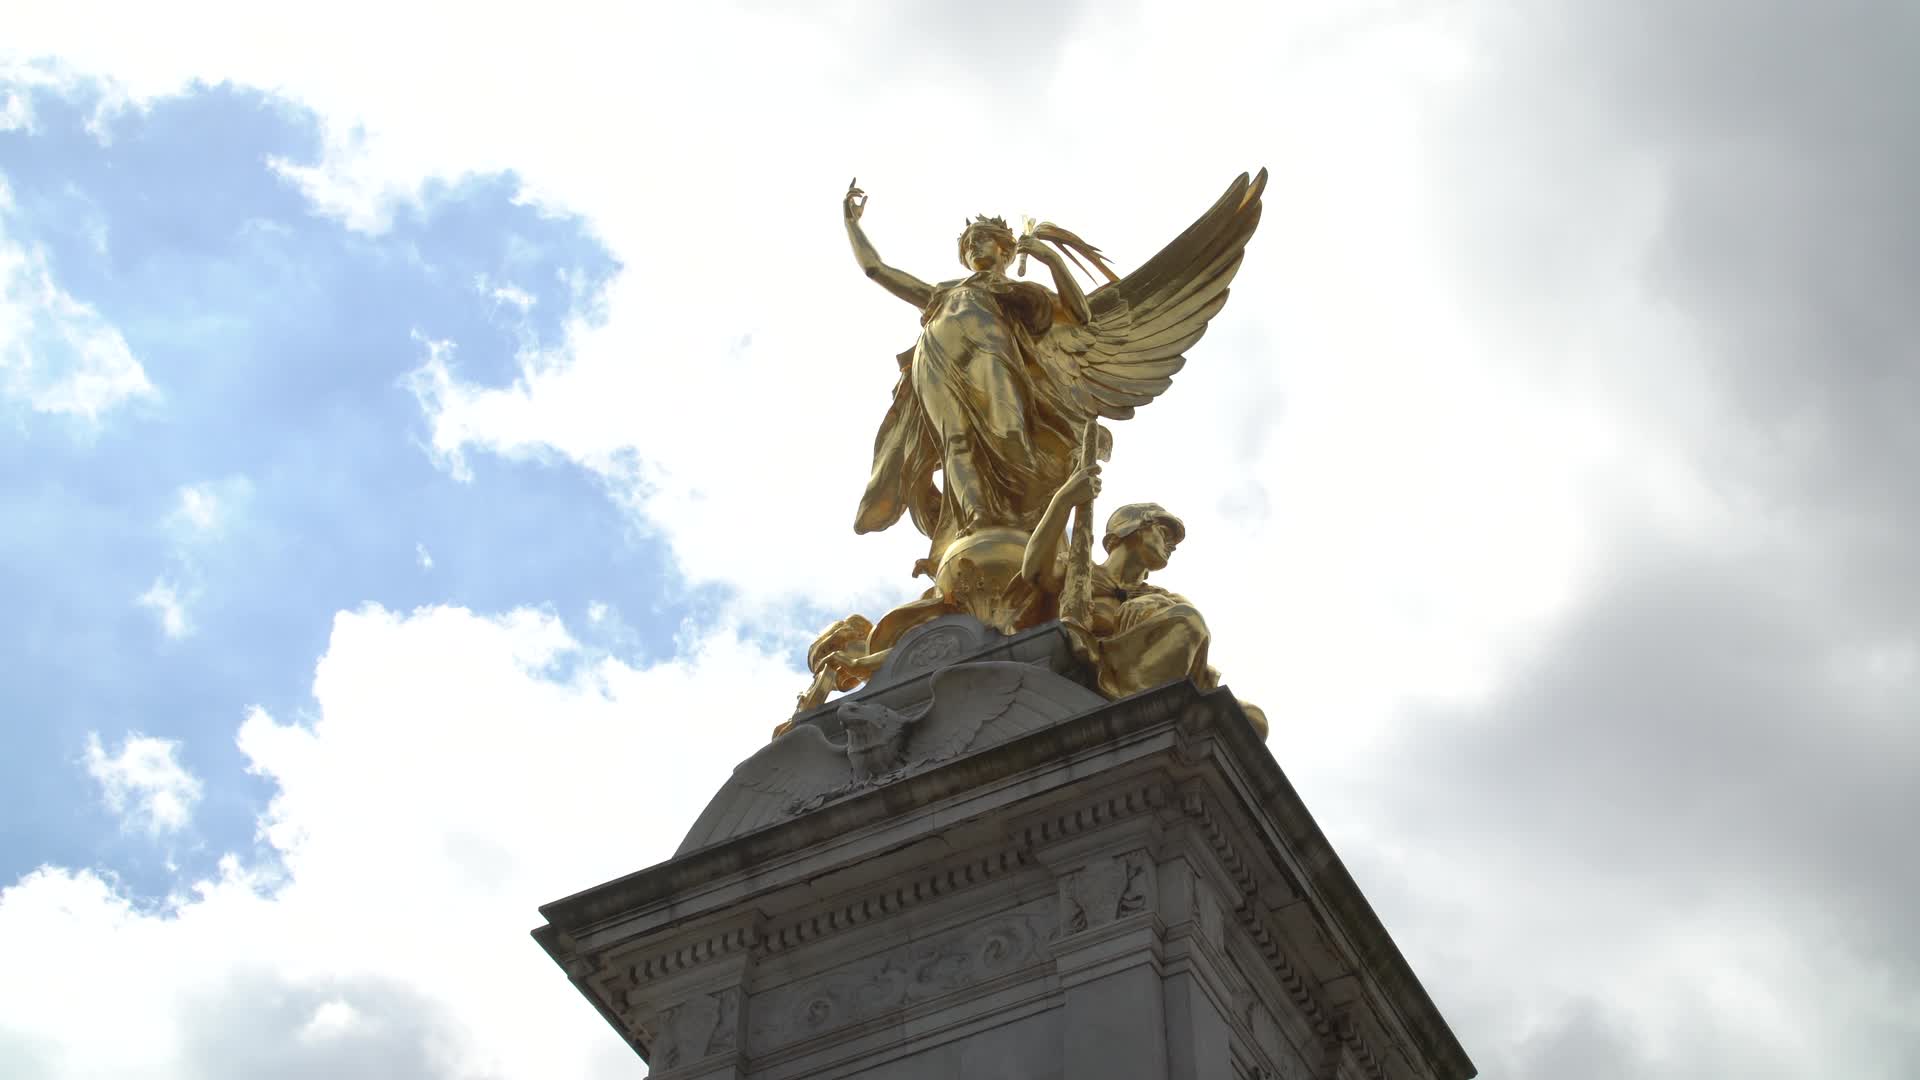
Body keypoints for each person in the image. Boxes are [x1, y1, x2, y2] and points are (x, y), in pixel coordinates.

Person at [843, 182, 1094, 567]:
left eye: (981, 241)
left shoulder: (1017, 292)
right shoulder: (945, 292)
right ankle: (976, 521)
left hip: (993, 357)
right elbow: (876, 269)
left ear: (1005, 248)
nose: (972, 249)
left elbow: (1081, 315)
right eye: (967, 246)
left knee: (1010, 434)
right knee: (956, 442)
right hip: (937, 361)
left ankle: (1035, 523)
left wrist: (1050, 259)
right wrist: (852, 225)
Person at [1021, 463, 1269, 739]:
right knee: (1188, 622)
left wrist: (1151, 606)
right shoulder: (1079, 570)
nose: (1172, 545)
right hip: (1099, 670)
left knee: (1253, 720)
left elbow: (1196, 654)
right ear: (1128, 530)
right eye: (1164, 532)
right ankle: (1149, 718)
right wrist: (1065, 500)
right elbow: (1034, 571)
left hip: (1151, 678)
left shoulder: (1163, 599)